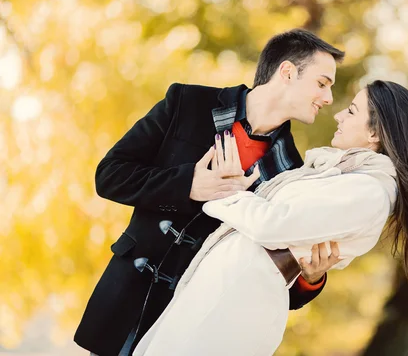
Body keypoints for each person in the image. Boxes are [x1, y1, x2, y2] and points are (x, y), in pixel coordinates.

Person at [133, 80, 408, 356]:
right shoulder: (341, 177)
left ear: (375, 133)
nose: (339, 114)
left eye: (352, 110)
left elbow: (272, 225)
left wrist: (224, 191)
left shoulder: (369, 193)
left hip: (237, 302)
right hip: (224, 290)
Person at [74, 29, 346, 356]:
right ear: (287, 72)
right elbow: (110, 175)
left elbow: (270, 280)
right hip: (125, 302)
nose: (329, 98)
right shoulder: (187, 103)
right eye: (322, 83)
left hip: (191, 328)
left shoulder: (289, 173)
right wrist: (188, 184)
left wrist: (310, 278)